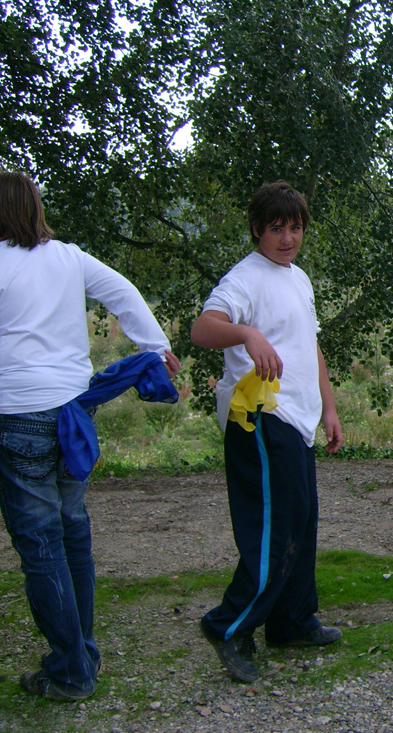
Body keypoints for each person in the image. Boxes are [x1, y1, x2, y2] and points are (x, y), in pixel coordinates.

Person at [0, 171, 180, 701]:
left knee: (41, 545)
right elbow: (122, 292)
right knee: (72, 530)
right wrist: (156, 346)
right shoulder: (69, 258)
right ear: (35, 207)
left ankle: (70, 671)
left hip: (17, 414)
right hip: (74, 412)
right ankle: (82, 653)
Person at [192, 180, 344, 683]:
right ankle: (228, 625)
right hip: (259, 417)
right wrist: (246, 333)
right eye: (276, 228)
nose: (287, 238)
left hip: (298, 419)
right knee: (274, 529)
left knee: (301, 521)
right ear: (257, 229)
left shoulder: (298, 278)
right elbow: (202, 329)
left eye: (295, 228)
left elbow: (309, 346)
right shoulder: (245, 278)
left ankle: (291, 621)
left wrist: (328, 409)